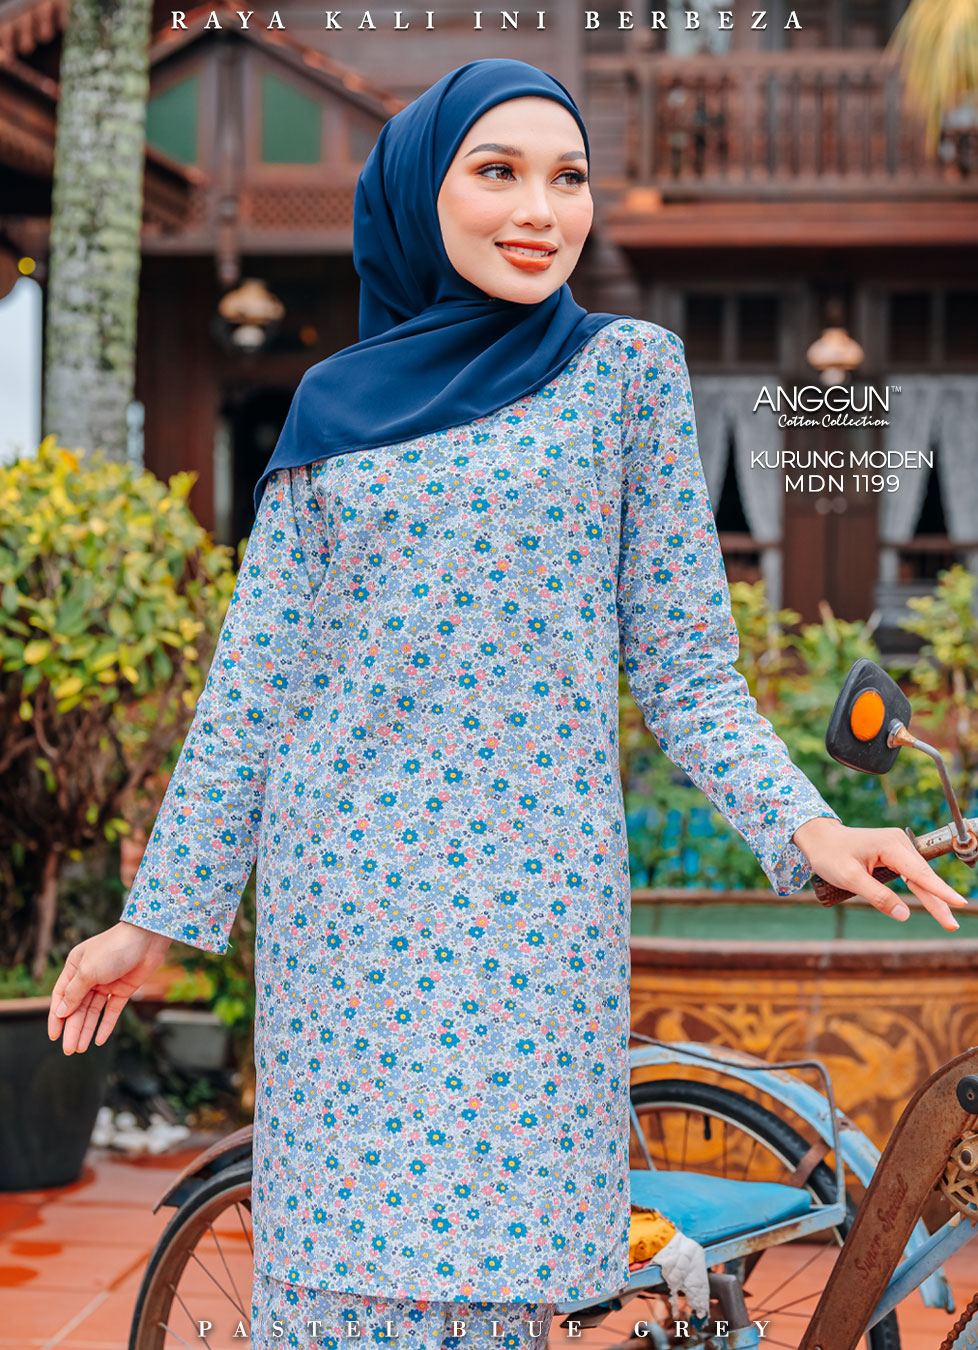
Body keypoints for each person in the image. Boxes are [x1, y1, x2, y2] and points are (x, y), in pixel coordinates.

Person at [48, 58, 966, 1350]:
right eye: (497, 172)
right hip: (346, 918)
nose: (540, 209)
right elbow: (252, 690)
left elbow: (687, 668)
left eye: (567, 176)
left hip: (530, 919)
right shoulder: (330, 407)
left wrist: (806, 827)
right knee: (338, 1289)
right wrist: (159, 922)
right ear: (422, 195)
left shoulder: (623, 375)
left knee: (504, 1285)